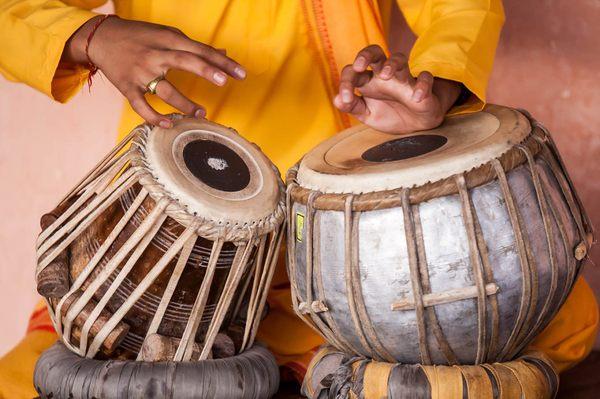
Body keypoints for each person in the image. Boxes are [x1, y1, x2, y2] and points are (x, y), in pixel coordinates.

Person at [0, 0, 597, 397]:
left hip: (360, 233)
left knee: (559, 329)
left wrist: (432, 82)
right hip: (180, 240)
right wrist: (92, 36)